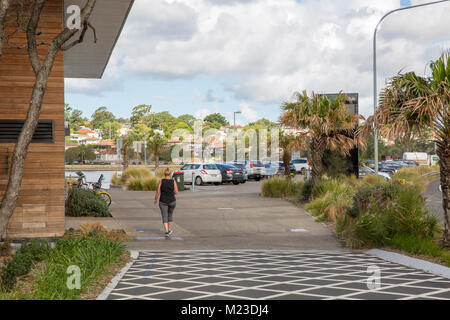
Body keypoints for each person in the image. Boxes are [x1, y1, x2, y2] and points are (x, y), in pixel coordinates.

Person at [154, 168, 179, 237]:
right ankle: (169, 229)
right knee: (170, 215)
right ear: (170, 174)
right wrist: (171, 192)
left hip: (163, 201)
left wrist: (155, 199)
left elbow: (158, 192)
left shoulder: (161, 181)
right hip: (172, 201)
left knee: (164, 216)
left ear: (164, 174)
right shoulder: (173, 181)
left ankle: (167, 231)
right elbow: (176, 192)